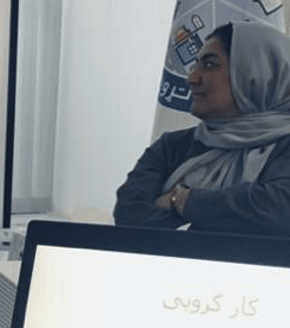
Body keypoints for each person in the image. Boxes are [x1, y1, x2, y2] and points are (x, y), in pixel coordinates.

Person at [114, 20, 290, 235]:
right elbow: (130, 215)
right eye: (195, 65)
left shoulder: (285, 145)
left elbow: (281, 210)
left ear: (255, 72)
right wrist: (233, 214)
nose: (191, 78)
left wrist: (182, 200)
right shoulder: (171, 146)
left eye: (209, 65)